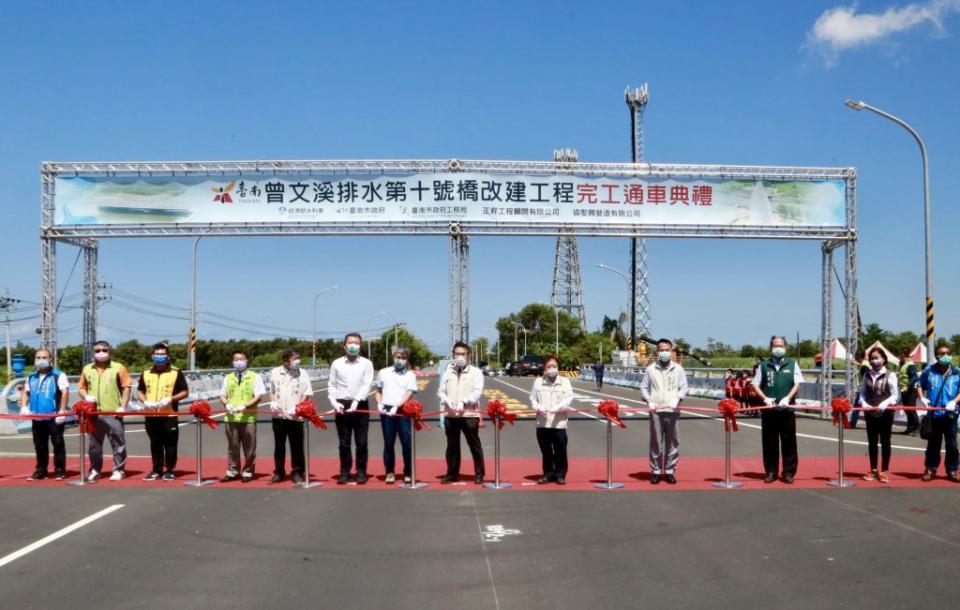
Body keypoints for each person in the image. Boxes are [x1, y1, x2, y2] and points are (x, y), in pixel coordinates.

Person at [78, 340, 133, 482]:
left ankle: (119, 470)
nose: (101, 353)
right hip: (93, 413)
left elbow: (126, 387)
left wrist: (123, 406)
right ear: (93, 353)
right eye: (97, 350)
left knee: (118, 443)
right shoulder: (87, 369)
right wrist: (86, 396)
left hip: (113, 413)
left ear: (109, 351)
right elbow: (81, 387)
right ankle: (95, 470)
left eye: (104, 350)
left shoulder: (118, 367)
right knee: (94, 445)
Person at [751, 336, 803, 484]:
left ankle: (788, 472)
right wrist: (765, 398)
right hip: (769, 412)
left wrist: (788, 397)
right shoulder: (764, 365)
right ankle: (771, 472)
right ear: (771, 348)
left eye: (781, 345)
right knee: (769, 443)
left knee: (789, 443)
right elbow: (755, 384)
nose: (778, 348)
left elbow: (797, 383)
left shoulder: (792, 364)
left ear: (785, 347)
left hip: (787, 411)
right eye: (775, 345)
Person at [137, 343, 189, 481]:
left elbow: (185, 392)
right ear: (152, 356)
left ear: (168, 356)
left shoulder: (176, 373)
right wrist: (145, 401)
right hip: (150, 413)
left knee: (170, 443)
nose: (159, 356)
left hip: (169, 413)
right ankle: (156, 469)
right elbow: (140, 391)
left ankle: (170, 469)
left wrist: (170, 399)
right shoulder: (146, 372)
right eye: (157, 354)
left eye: (162, 354)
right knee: (155, 443)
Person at [328, 333, 375, 485]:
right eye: (350, 342)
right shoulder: (336, 363)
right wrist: (333, 400)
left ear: (360, 346)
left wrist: (356, 400)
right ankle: (345, 472)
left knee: (361, 442)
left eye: (356, 343)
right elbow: (332, 384)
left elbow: (367, 384)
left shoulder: (367, 363)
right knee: (344, 442)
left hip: (360, 405)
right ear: (344, 345)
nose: (353, 345)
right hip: (342, 405)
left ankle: (361, 471)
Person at [640, 339, 688, 484]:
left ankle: (669, 470)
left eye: (667, 350)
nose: (664, 352)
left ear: (671, 351)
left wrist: (678, 398)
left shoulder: (678, 369)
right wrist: (649, 400)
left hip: (673, 410)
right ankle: (655, 470)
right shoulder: (650, 369)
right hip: (656, 411)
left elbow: (684, 387)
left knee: (672, 441)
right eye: (661, 350)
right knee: (656, 441)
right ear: (657, 352)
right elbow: (643, 388)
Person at [437, 341, 485, 484]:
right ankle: (452, 473)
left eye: (463, 354)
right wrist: (447, 400)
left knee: (474, 445)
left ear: (468, 355)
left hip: (469, 414)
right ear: (453, 355)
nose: (460, 357)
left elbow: (477, 392)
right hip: (451, 415)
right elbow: (440, 391)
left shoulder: (476, 372)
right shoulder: (448, 372)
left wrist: (464, 401)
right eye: (457, 354)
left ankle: (479, 473)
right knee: (452, 446)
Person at [19, 349, 69, 481]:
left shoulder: (58, 375)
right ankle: (41, 471)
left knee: (58, 444)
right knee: (39, 445)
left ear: (50, 359)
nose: (41, 360)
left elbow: (65, 393)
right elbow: (26, 392)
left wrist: (62, 411)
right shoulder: (31, 377)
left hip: (54, 417)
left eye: (44, 357)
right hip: (37, 418)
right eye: (38, 357)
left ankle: (59, 470)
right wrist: (24, 406)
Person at [219, 350, 266, 483]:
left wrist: (245, 406)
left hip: (248, 418)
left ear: (247, 360)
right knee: (232, 447)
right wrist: (227, 404)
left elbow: (258, 396)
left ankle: (247, 471)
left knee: (249, 447)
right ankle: (233, 471)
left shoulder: (255, 377)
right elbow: (222, 395)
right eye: (236, 359)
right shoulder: (228, 377)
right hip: (231, 417)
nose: (239, 361)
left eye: (241, 359)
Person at [268, 349, 313, 485]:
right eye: (294, 358)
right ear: (285, 360)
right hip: (279, 416)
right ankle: (279, 472)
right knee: (279, 446)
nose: (297, 360)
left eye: (298, 357)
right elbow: (272, 390)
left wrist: (298, 407)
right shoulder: (275, 372)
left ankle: (298, 472)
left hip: (295, 416)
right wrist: (273, 402)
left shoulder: (303, 374)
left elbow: (306, 393)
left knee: (297, 446)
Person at [375, 345, 418, 485]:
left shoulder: (410, 375)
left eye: (403, 358)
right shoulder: (383, 372)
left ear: (407, 359)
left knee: (406, 443)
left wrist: (398, 406)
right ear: (393, 357)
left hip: (403, 410)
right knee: (388, 442)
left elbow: (409, 392)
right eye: (398, 357)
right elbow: (378, 390)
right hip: (387, 410)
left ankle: (408, 473)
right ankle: (389, 472)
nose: (400, 360)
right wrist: (380, 404)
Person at [916, 345, 959, 482]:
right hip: (934, 415)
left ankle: (952, 470)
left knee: (952, 444)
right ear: (936, 356)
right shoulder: (929, 371)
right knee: (933, 444)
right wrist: (922, 398)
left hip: (950, 414)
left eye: (947, 352)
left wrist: (955, 401)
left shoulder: (956, 372)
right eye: (942, 353)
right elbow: (919, 385)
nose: (945, 355)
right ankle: (930, 469)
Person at [530, 355, 573, 485]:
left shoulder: (565, 381)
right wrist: (539, 407)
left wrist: (559, 407)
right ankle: (548, 473)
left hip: (559, 422)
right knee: (546, 451)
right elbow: (532, 399)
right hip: (543, 422)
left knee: (560, 450)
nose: (552, 369)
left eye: (554, 366)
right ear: (544, 368)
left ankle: (560, 474)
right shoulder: (538, 382)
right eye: (549, 366)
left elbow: (569, 398)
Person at [858, 347, 899, 483]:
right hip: (870, 412)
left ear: (883, 358)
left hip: (886, 413)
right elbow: (863, 392)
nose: (875, 360)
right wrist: (863, 402)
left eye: (877, 357)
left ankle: (885, 470)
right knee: (872, 442)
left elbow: (895, 395)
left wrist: (886, 403)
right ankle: (873, 469)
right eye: (872, 358)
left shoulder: (890, 374)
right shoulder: (867, 374)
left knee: (885, 441)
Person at [897, 348, 920, 435]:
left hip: (911, 390)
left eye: (901, 356)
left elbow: (914, 377)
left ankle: (917, 428)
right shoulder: (904, 364)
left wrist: (907, 386)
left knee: (911, 409)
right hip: (904, 390)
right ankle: (910, 428)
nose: (900, 357)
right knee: (907, 409)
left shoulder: (910, 364)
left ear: (905, 356)